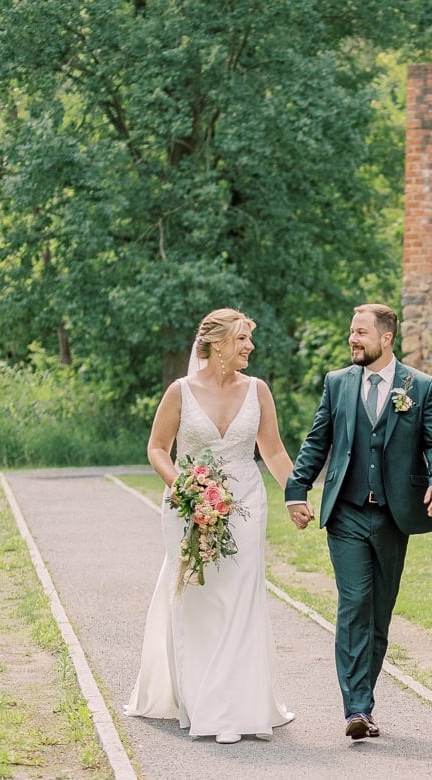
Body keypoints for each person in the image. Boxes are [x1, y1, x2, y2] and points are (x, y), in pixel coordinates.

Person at [125, 308, 296, 744]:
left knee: (241, 599)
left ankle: (237, 707)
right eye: (241, 339)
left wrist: (294, 495)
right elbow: (158, 448)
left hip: (246, 504)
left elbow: (273, 452)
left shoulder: (258, 391)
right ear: (217, 343)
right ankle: (202, 702)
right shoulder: (180, 392)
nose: (249, 347)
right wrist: (184, 487)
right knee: (197, 598)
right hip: (187, 505)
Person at [285, 303, 432, 740]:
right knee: (355, 601)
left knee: (379, 613)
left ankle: (364, 702)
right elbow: (317, 440)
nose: (352, 339)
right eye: (350, 332)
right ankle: (356, 708)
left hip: (394, 517)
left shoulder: (420, 386)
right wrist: (295, 489)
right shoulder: (337, 383)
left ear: (386, 338)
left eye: (360, 332)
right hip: (347, 513)